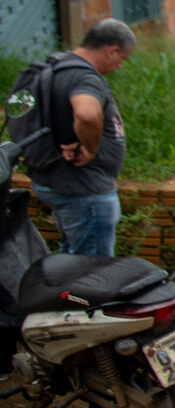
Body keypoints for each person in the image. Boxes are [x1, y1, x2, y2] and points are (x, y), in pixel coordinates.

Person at [23, 19, 136, 257]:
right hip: (84, 189)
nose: (119, 66)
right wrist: (90, 147)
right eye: (122, 59)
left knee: (71, 262)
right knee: (91, 270)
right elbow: (86, 113)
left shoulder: (55, 68)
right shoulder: (83, 77)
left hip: (55, 180)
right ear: (112, 50)